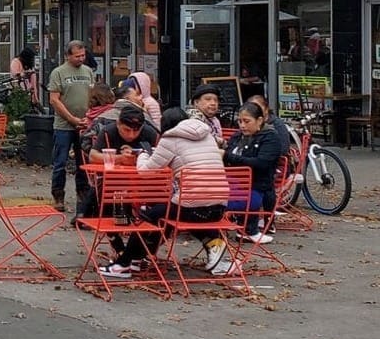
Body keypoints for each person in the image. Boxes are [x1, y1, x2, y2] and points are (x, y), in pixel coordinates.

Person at [101, 107, 236, 278]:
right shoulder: (207, 136)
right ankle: (213, 243)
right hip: (219, 207)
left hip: (190, 206)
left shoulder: (170, 139)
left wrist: (143, 154)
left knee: (149, 215)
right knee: (167, 212)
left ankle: (125, 263)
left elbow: (145, 171)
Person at [47, 40, 95, 213]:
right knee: (60, 161)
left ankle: (82, 193)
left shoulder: (88, 71)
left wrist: (88, 117)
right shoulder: (58, 73)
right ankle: (58, 195)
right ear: (68, 55)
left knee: (83, 161)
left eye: (83, 55)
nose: (81, 59)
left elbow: (92, 96)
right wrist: (71, 118)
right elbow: (54, 100)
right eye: (77, 56)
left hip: (84, 124)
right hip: (63, 125)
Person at [224, 102, 282, 243]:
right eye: (239, 121)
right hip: (230, 184)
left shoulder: (270, 137)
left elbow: (261, 163)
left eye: (246, 121)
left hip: (255, 186)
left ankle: (249, 229)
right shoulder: (237, 136)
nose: (242, 125)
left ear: (260, 120)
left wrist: (228, 156)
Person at [88, 107, 158, 163]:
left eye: (136, 131)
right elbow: (92, 156)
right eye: (127, 130)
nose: (131, 135)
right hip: (113, 176)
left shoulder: (150, 133)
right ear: (118, 124)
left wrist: (138, 159)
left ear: (142, 127)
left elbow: (159, 157)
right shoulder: (108, 131)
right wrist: (120, 158)